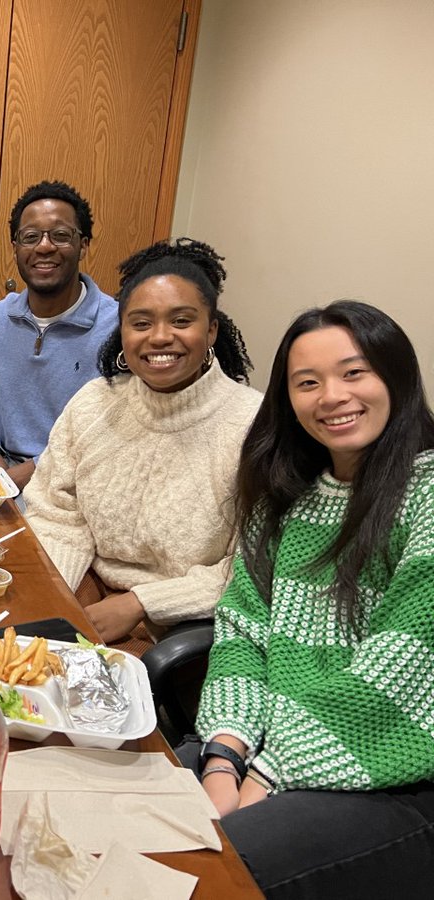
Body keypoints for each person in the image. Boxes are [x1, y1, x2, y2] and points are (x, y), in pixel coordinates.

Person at [182, 301, 434, 898]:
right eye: (308, 382)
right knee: (118, 805)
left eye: (354, 373)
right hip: (269, 747)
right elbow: (242, 634)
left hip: (390, 766)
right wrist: (223, 755)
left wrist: (265, 777)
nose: (332, 396)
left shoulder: (426, 492)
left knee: (206, 875)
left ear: (395, 376)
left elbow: (403, 669)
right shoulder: (285, 499)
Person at [23, 239, 260, 643]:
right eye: (142, 322)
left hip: (178, 620)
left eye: (182, 321)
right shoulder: (95, 402)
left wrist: (141, 604)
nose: (160, 337)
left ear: (212, 330)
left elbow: (248, 570)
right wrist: (55, 601)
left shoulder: (253, 425)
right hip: (83, 585)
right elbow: (56, 510)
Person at [0, 180, 117, 490]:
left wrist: (24, 475)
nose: (44, 246)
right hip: (1, 470)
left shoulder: (117, 328)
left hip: (79, 482)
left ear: (83, 245)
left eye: (60, 235)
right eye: (31, 237)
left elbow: (109, 430)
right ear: (16, 247)